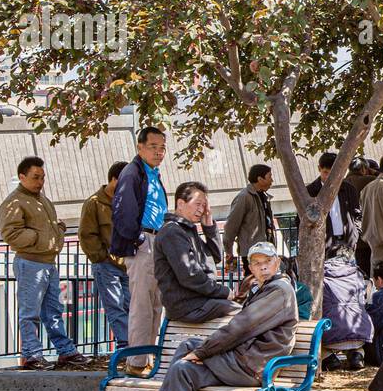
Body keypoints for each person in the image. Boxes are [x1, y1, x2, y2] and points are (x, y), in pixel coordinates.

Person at [128, 242, 298, 391]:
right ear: (251, 268)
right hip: (240, 362)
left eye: (267, 262)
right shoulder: (262, 288)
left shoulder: (279, 290)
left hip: (252, 367)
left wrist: (202, 353)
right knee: (183, 369)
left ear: (277, 263)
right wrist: (202, 352)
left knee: (190, 348)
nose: (263, 267)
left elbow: (240, 328)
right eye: (257, 263)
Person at [0, 156, 87, 369]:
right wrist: (40, 238)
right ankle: (32, 354)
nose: (40, 182)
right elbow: (11, 233)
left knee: (53, 310)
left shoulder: (40, 199)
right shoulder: (14, 201)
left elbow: (46, 226)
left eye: (42, 177)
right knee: (30, 313)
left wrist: (56, 231)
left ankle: (65, 351)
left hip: (47, 261)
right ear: (22, 177)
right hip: (31, 262)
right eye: (35, 177)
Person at [111, 126, 169, 373]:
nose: (159, 152)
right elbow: (123, 210)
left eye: (163, 148)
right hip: (143, 242)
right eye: (153, 147)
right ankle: (136, 361)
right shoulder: (132, 173)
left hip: (157, 241)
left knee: (156, 303)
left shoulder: (152, 173)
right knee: (142, 305)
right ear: (140, 147)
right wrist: (137, 239)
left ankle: (147, 357)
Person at [153, 181, 238, 323]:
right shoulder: (172, 232)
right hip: (188, 305)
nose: (202, 209)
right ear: (180, 204)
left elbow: (215, 257)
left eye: (204, 205)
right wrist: (222, 291)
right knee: (241, 314)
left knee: (245, 313)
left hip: (200, 301)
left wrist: (208, 226)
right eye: (198, 204)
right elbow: (190, 275)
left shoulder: (187, 231)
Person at [79, 161, 131, 351]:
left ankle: (133, 342)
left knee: (131, 303)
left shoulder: (127, 200)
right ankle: (125, 343)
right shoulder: (94, 203)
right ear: (113, 180)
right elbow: (86, 234)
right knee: (115, 305)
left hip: (127, 262)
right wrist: (100, 257)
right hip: (106, 263)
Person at [320, 248, 373, 371]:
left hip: (331, 331)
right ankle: (357, 356)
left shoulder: (321, 273)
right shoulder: (358, 274)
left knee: (320, 344)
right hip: (360, 330)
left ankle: (329, 358)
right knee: (355, 344)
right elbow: (367, 300)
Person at [306, 152, 361, 259]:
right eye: (326, 172)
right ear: (319, 169)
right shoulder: (310, 191)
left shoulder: (349, 189)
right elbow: (303, 220)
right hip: (323, 245)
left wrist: (355, 233)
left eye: (333, 173)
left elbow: (357, 214)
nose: (329, 177)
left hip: (348, 241)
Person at [223, 164, 276, 268]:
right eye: (269, 177)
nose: (272, 180)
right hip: (252, 253)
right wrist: (228, 250)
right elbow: (231, 225)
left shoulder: (264, 196)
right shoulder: (244, 197)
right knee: (252, 281)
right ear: (260, 179)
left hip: (267, 249)